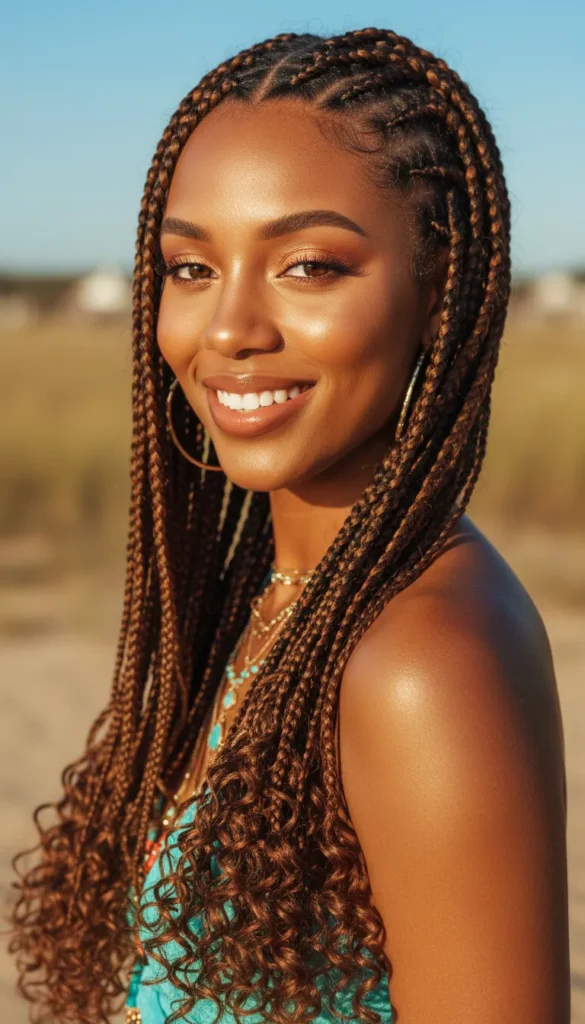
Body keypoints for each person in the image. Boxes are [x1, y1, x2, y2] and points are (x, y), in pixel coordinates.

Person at [9, 26, 570, 1024]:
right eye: (190, 269)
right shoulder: (266, 596)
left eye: (308, 265)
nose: (229, 330)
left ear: (437, 287)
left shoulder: (424, 660)